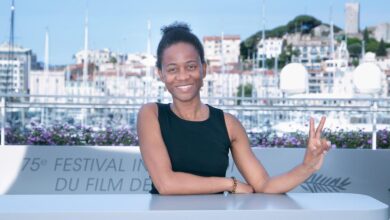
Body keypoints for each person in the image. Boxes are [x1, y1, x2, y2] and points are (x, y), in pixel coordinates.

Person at [137, 22, 331, 195]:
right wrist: (230, 184)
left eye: (190, 67)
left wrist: (307, 167)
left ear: (203, 69)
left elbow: (264, 185)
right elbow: (166, 184)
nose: (182, 76)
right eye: (172, 69)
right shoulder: (151, 114)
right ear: (160, 74)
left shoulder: (228, 124)